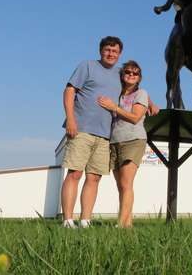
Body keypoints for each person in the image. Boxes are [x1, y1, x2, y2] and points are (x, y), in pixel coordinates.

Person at [60, 36, 123, 228]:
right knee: (75, 173)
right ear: (101, 51)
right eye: (107, 50)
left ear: (119, 54)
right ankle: (68, 220)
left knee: (94, 177)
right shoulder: (87, 66)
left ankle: (85, 220)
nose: (111, 54)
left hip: (105, 134)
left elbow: (133, 88)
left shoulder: (121, 73)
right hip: (82, 128)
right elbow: (69, 91)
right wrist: (71, 119)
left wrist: (151, 103)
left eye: (115, 51)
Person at [97, 60, 154, 228]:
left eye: (135, 73)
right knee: (120, 185)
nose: (131, 75)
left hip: (133, 140)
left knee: (126, 183)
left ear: (139, 78)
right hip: (114, 140)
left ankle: (121, 224)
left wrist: (114, 107)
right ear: (122, 75)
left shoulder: (141, 93)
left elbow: (135, 117)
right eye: (128, 72)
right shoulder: (117, 93)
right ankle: (127, 223)